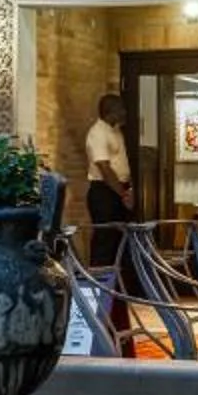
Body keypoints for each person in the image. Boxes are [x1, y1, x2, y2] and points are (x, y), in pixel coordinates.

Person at [84, 91, 133, 267]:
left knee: (118, 241)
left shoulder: (116, 130)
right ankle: (99, 282)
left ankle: (116, 282)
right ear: (110, 111)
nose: (124, 112)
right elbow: (104, 168)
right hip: (104, 192)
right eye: (121, 109)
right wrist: (123, 194)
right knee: (104, 241)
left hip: (118, 190)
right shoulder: (98, 133)